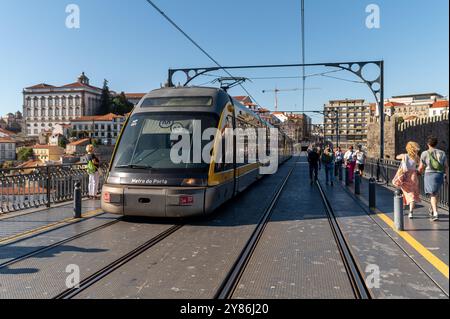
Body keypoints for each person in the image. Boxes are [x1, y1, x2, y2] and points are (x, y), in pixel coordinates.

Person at [418, 136, 448, 221]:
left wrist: (417, 173)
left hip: (429, 175)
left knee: (433, 194)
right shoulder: (442, 153)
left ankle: (435, 213)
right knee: (435, 193)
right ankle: (432, 209)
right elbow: (446, 166)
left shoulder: (424, 153)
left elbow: (420, 167)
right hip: (440, 175)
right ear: (436, 144)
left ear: (428, 144)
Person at [395, 142, 421, 219]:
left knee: (404, 192)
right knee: (412, 195)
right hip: (413, 176)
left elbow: (397, 157)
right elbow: (421, 165)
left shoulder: (404, 155)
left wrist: (403, 158)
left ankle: (402, 208)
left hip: (405, 175)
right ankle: (411, 212)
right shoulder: (416, 157)